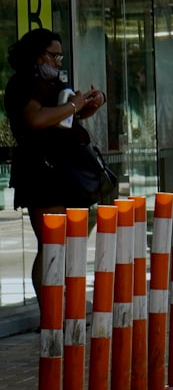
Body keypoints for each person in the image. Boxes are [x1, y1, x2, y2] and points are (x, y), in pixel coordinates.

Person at [4, 28, 108, 307]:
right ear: (37, 55)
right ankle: (50, 311)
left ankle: (66, 302)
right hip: (41, 172)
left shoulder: (54, 85)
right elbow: (36, 119)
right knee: (51, 244)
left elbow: (69, 112)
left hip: (66, 171)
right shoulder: (22, 84)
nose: (58, 62)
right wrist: (73, 106)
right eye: (53, 56)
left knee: (69, 241)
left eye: (61, 56)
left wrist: (90, 102)